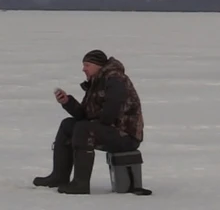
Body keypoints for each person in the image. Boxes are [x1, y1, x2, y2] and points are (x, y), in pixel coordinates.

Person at [33, 49, 143, 194]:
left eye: (87, 65)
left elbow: (111, 111)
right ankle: (59, 177)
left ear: (99, 65)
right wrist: (67, 102)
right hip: (110, 130)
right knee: (68, 125)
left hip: (126, 136)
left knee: (84, 129)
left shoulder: (115, 79)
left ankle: (81, 184)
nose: (83, 69)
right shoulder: (96, 82)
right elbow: (85, 115)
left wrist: (90, 124)